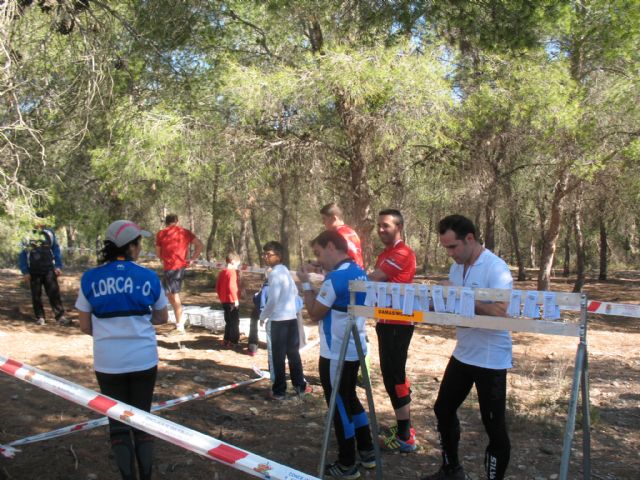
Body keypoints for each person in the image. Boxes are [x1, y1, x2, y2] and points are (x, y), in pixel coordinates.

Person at [75, 220, 169, 480]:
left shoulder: (90, 278)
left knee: (117, 424)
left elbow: (84, 325)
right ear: (131, 246)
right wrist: (137, 324)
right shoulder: (148, 277)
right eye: (139, 243)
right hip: (143, 359)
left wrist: (108, 333)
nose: (140, 247)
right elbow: (162, 317)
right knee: (142, 420)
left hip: (108, 362)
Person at [422, 215, 513, 480]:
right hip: (464, 353)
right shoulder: (456, 268)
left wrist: (462, 294)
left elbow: (501, 311)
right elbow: (455, 305)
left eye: (453, 247)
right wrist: (433, 301)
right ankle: (451, 469)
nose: (450, 254)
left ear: (470, 239)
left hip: (490, 357)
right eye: (446, 248)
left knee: (494, 427)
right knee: (443, 409)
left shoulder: (495, 267)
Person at [298, 230, 375, 479]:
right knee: (350, 398)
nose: (318, 259)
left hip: (335, 352)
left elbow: (314, 313)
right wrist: (321, 272)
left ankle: (347, 462)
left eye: (319, 253)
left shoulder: (335, 279)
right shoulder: (358, 271)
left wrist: (306, 283)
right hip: (355, 346)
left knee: (338, 405)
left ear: (331, 246)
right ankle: (367, 451)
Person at [368, 209, 417, 452]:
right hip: (385, 321)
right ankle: (404, 427)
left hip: (399, 323)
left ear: (399, 227)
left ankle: (405, 436)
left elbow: (375, 279)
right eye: (379, 225)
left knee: (394, 376)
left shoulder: (402, 252)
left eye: (386, 225)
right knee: (392, 374)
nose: (380, 230)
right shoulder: (385, 254)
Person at [259, 241, 309, 400]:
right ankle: (300, 386)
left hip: (278, 321)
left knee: (277, 357)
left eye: (268, 254)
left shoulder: (274, 274)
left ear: (279, 256)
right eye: (264, 254)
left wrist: (263, 316)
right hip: (291, 319)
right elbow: (294, 292)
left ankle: (279, 391)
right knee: (293, 354)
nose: (265, 257)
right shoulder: (285, 271)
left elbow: (272, 300)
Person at [155, 214, 203, 334]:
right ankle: (180, 321)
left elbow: (158, 253)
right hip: (175, 267)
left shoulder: (161, 233)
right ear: (177, 221)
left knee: (174, 295)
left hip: (172, 267)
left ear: (166, 222)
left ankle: (180, 326)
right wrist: (192, 259)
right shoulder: (184, 232)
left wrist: (164, 259)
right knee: (170, 295)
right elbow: (200, 245)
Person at [19, 219, 69, 326]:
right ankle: (40, 317)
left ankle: (60, 317)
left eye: (41, 220)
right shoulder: (27, 234)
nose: (39, 223)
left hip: (49, 269)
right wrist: (25, 271)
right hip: (33, 270)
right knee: (36, 295)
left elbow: (56, 249)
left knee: (54, 294)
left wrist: (58, 266)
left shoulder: (49, 233)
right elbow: (22, 253)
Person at [320, 203, 364, 268]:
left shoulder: (336, 235)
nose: (323, 222)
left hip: (346, 271)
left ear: (334, 218)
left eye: (324, 219)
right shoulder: (351, 232)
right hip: (358, 270)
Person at [216, 252, 242, 347]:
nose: (238, 266)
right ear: (232, 261)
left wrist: (221, 297)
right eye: (237, 264)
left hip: (224, 301)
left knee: (228, 321)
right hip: (232, 301)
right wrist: (236, 299)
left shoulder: (222, 272)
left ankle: (226, 340)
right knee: (235, 322)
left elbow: (217, 287)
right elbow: (232, 286)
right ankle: (233, 342)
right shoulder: (233, 272)